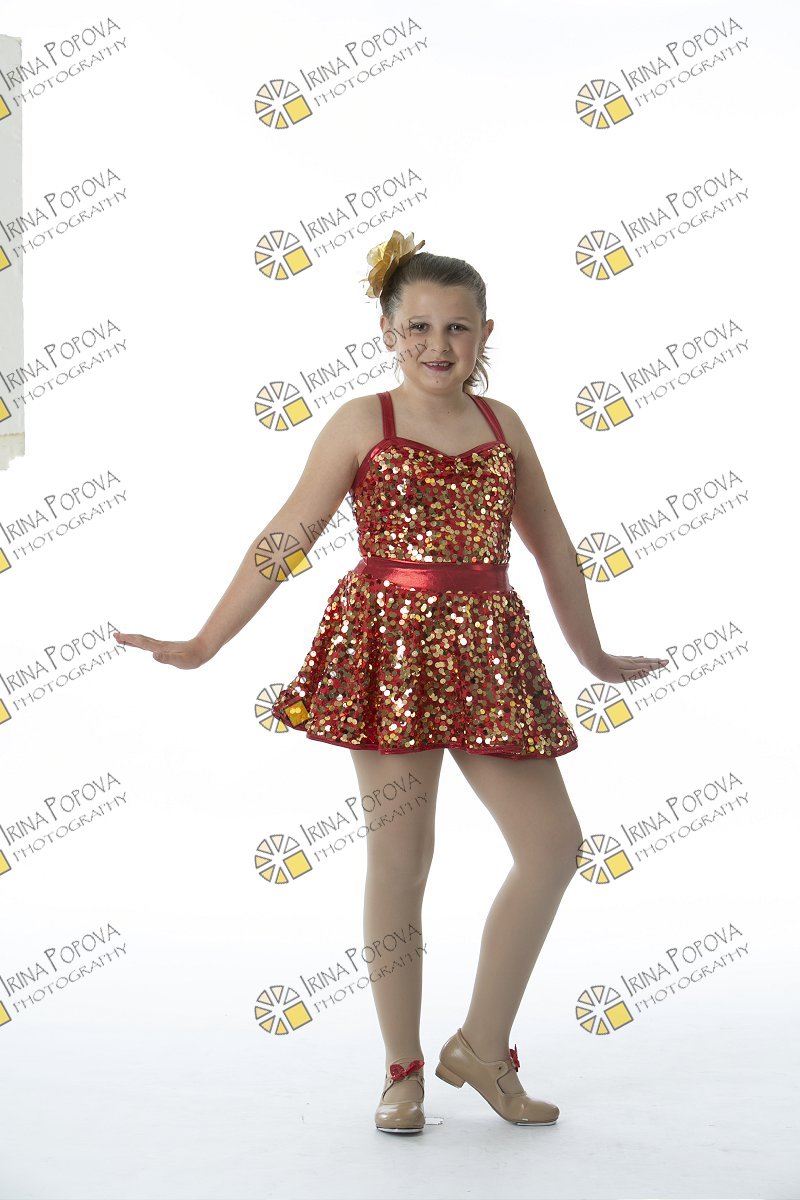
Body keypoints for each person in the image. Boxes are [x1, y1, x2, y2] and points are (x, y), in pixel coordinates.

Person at [113, 230, 667, 1135]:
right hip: (389, 651)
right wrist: (207, 640)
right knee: (402, 860)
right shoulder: (360, 421)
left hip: (488, 652)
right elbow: (285, 536)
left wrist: (595, 656)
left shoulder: (505, 426)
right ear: (387, 331)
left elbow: (554, 549)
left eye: (457, 327)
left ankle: (482, 1047)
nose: (438, 345)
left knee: (553, 845)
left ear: (487, 333)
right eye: (419, 327)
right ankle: (402, 1069)